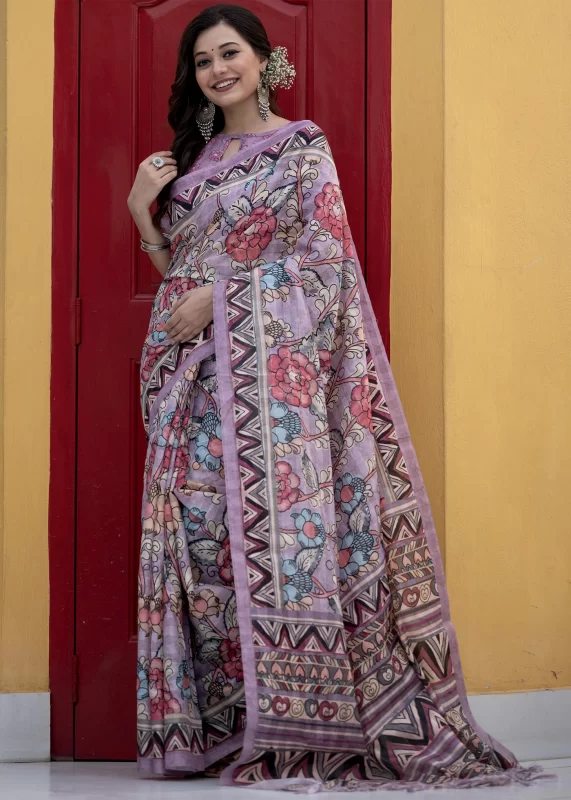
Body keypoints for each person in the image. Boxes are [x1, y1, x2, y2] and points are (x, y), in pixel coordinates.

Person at [128, 4, 546, 792]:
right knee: (208, 548)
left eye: (230, 54)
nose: (218, 71)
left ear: (263, 59)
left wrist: (220, 300)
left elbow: (322, 266)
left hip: (271, 393)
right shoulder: (194, 160)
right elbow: (178, 281)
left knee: (274, 545)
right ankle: (227, 725)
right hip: (196, 384)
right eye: (203, 62)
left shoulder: (300, 147)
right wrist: (140, 212)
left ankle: (300, 720)